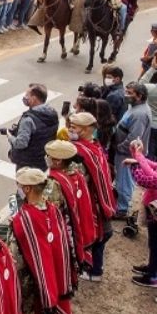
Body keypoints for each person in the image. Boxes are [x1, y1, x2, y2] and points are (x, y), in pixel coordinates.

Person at [10, 167, 73, 314]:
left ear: (27, 189)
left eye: (19, 185)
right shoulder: (53, 211)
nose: (18, 188)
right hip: (56, 278)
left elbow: (15, 257)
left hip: (34, 282)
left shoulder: (23, 219)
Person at [68, 112, 116, 282]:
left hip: (92, 201)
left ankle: (93, 269)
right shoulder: (95, 146)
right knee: (102, 234)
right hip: (102, 199)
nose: (70, 130)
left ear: (86, 129)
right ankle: (96, 268)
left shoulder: (81, 152)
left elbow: (78, 177)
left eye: (74, 127)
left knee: (96, 235)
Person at [43, 140, 96, 280]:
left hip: (63, 232)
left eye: (48, 156)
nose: (46, 158)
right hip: (74, 225)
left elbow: (48, 212)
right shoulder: (76, 174)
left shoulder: (54, 183)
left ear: (58, 161)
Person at [113, 81, 152, 218]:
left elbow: (134, 138)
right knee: (121, 179)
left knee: (124, 181)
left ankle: (122, 210)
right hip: (124, 151)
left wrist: (120, 147)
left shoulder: (140, 114)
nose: (126, 95)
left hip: (127, 153)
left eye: (130, 93)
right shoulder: (134, 107)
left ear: (139, 96)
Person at [124, 139, 157, 288]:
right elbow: (154, 166)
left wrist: (137, 160)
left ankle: (153, 277)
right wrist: (137, 156)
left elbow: (148, 179)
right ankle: (152, 267)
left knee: (156, 244)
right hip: (153, 209)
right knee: (153, 243)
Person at [7, 83, 58, 170]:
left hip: (27, 163)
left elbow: (20, 143)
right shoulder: (52, 113)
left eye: (27, 95)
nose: (25, 97)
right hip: (43, 161)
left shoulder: (28, 119)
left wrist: (10, 136)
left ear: (34, 99)